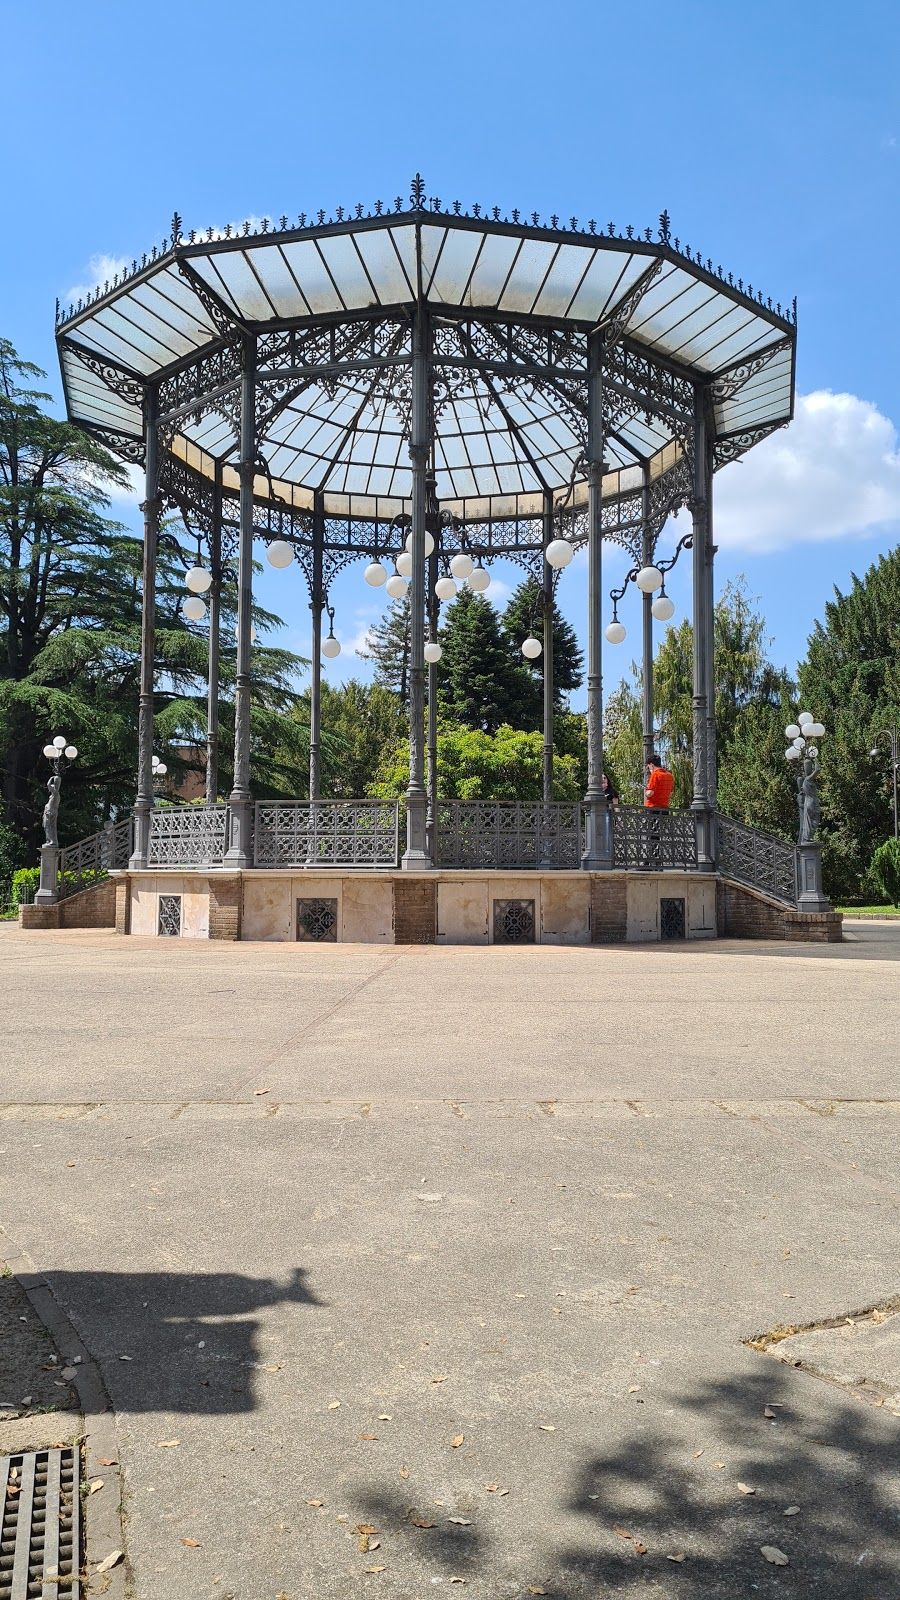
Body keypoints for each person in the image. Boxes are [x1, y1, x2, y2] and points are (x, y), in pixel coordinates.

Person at [642, 753, 674, 868]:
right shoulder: (669, 775)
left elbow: (650, 793)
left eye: (648, 766)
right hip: (664, 809)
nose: (648, 768)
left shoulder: (655, 775)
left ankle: (648, 862)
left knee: (651, 835)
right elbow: (670, 792)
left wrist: (646, 792)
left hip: (653, 808)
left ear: (651, 764)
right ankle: (657, 860)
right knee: (658, 836)